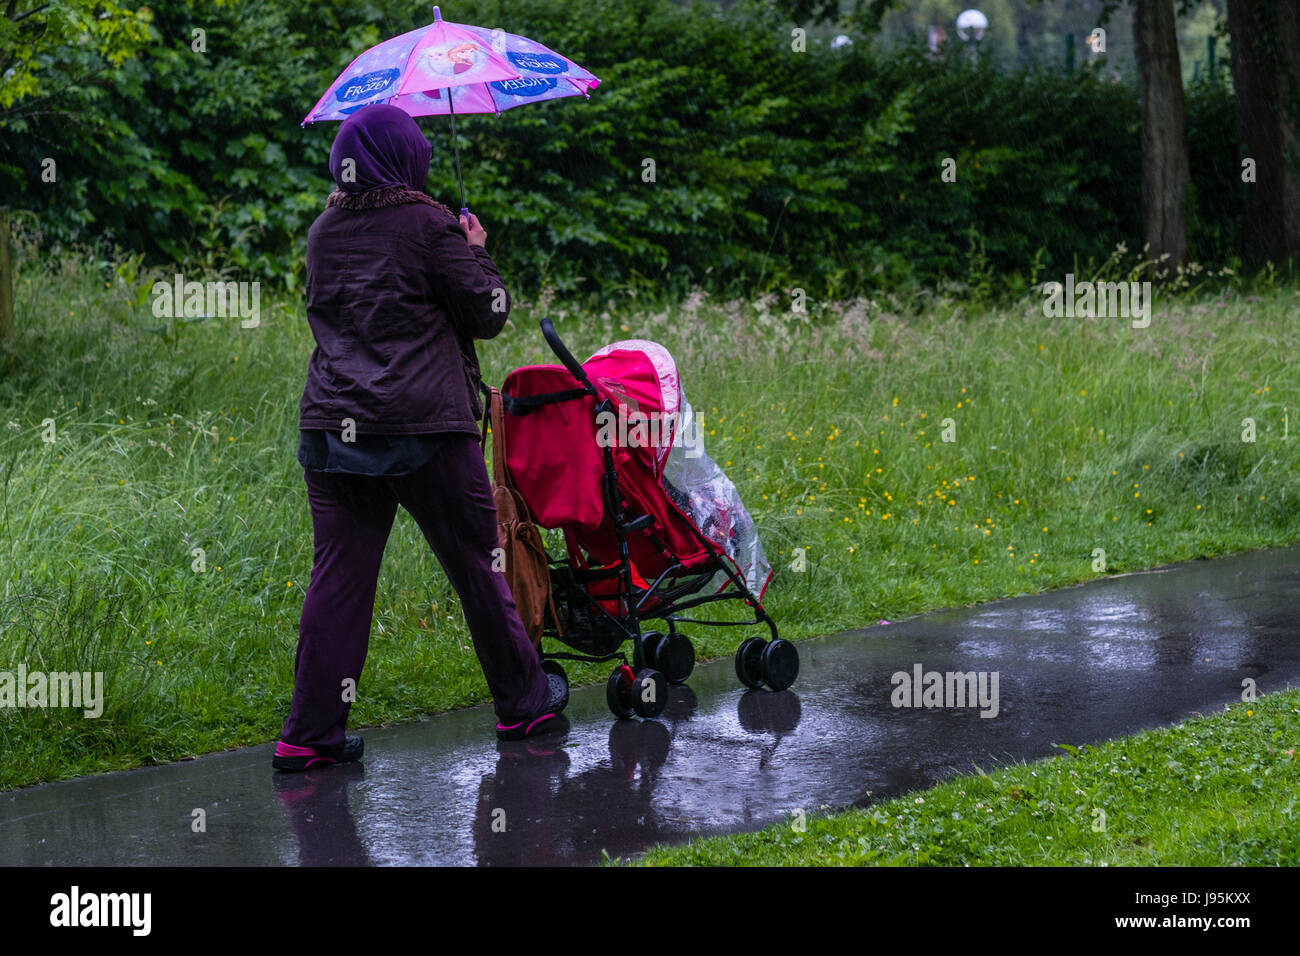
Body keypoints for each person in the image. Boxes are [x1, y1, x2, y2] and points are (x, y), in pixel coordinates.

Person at [273, 103, 566, 772]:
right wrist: (476, 253)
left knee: (339, 582)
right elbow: (488, 317)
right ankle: (526, 706)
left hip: (332, 430)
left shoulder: (323, 230)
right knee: (477, 565)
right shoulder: (431, 227)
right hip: (424, 426)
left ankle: (309, 737)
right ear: (403, 161)